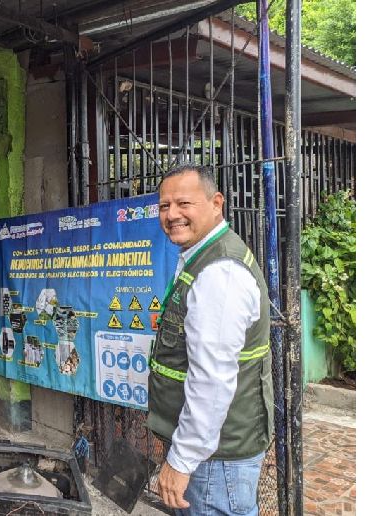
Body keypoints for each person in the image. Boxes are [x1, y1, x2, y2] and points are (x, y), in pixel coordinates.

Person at [149, 163, 274, 515]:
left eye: (183, 203)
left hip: (215, 463)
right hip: (214, 456)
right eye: (164, 206)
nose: (172, 214)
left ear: (216, 203)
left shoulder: (220, 273)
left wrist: (182, 460)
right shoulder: (203, 257)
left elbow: (212, 381)